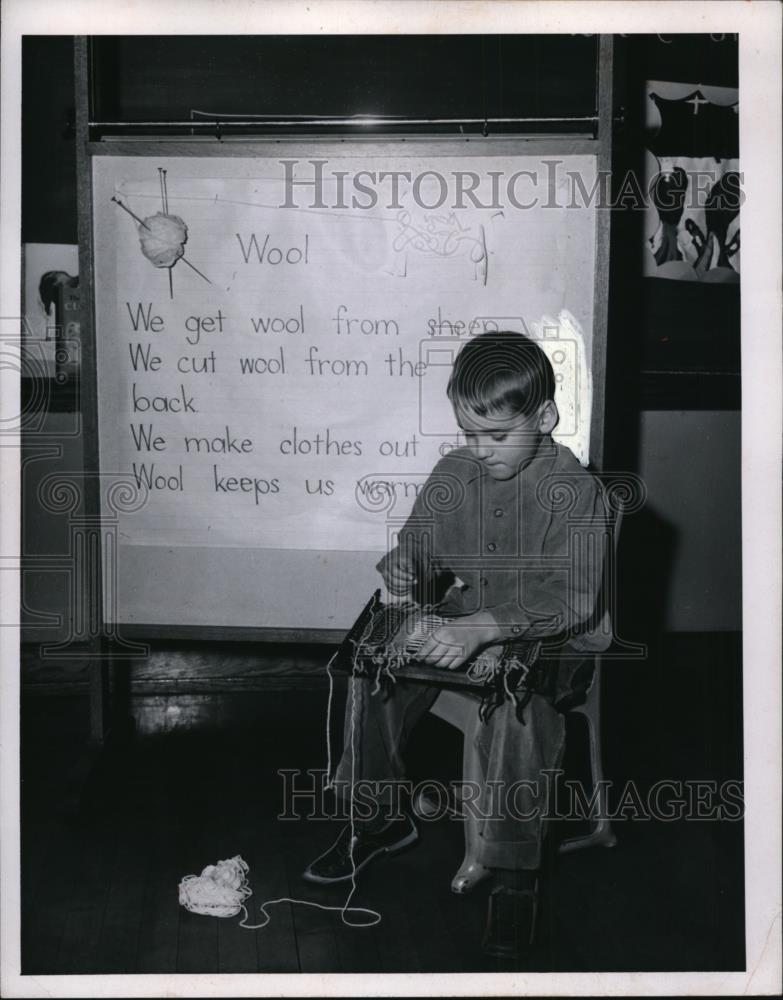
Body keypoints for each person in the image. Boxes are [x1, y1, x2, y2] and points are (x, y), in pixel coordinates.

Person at [302, 330, 612, 957]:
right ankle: (378, 818)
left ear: (545, 417)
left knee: (518, 709)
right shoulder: (455, 473)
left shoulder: (579, 494)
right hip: (464, 621)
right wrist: (405, 566)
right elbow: (420, 545)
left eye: (496, 436)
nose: (479, 450)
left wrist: (487, 627)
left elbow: (575, 598)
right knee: (372, 669)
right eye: (469, 433)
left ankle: (513, 875)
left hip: (555, 640)